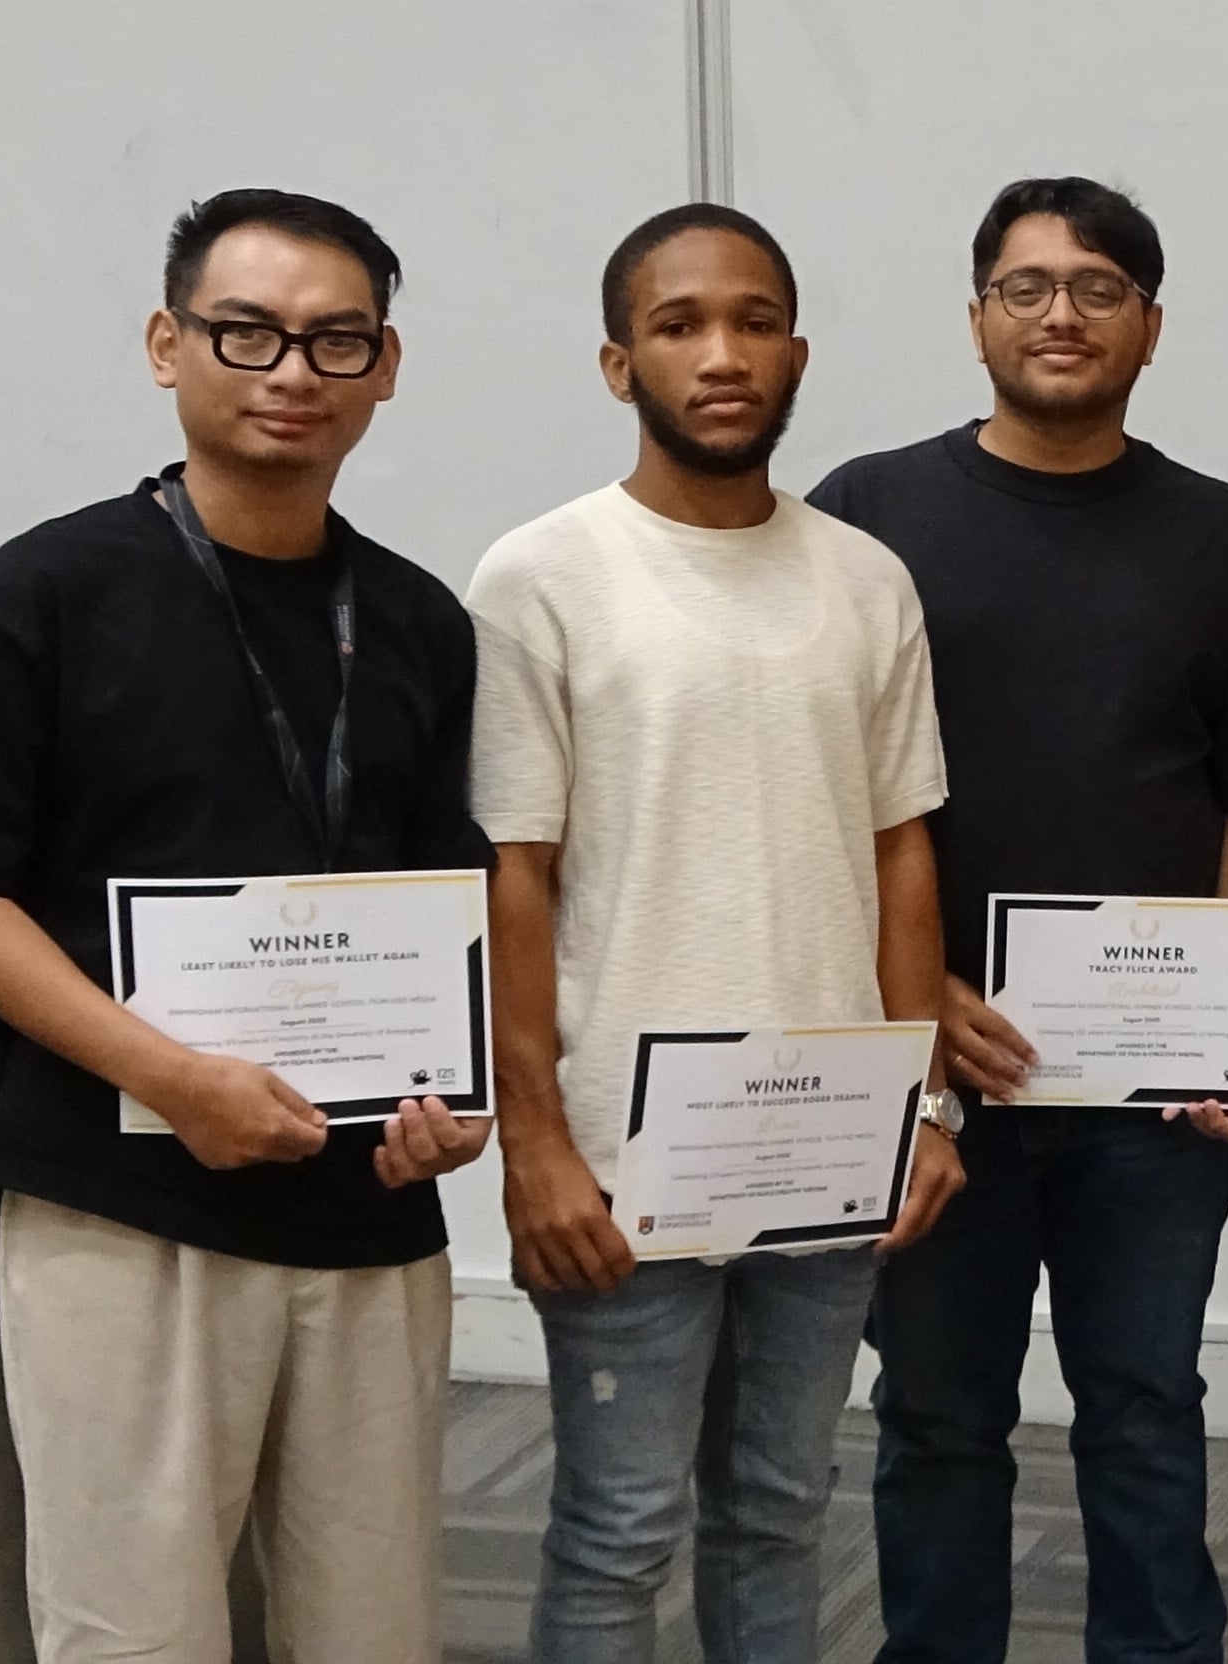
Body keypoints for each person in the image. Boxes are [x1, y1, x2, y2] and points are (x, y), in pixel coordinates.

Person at [0, 191, 495, 1662]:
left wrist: (453, 1106)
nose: (292, 371)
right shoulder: (44, 594)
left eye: (337, 340)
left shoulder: (417, 621)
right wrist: (170, 1076)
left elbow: (443, 898)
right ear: (168, 344)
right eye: (248, 332)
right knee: (133, 1631)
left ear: (384, 368)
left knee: (376, 1628)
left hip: (366, 1211)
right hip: (123, 1202)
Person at [811, 178, 1228, 1664]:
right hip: (934, 1079)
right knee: (934, 1420)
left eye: (1100, 288)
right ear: (977, 314)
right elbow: (823, 798)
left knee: (1144, 1410)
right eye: (1029, 285)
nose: (1063, 313)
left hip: (1149, 1090)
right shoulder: (866, 514)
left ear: (1151, 327)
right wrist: (913, 997)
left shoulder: (1220, 535)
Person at [471, 202, 965, 1664]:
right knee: (620, 1530)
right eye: (679, 325)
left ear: (799, 353)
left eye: (753, 321)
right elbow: (517, 877)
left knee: (781, 1512)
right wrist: (535, 1142)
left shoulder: (865, 579)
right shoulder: (540, 576)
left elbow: (901, 858)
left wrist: (928, 1101)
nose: (722, 353)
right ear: (620, 364)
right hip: (623, 1159)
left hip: (826, 1139)